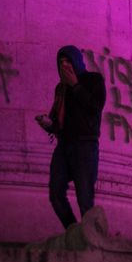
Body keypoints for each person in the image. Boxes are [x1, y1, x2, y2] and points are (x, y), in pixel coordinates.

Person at [36, 46, 107, 229]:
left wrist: (75, 85)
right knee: (55, 194)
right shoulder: (61, 89)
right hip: (64, 145)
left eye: (68, 61)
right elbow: (58, 120)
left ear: (76, 61)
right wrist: (48, 124)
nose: (64, 65)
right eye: (60, 62)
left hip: (85, 145)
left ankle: (92, 235)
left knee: (85, 199)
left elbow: (95, 107)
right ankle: (73, 230)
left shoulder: (93, 80)